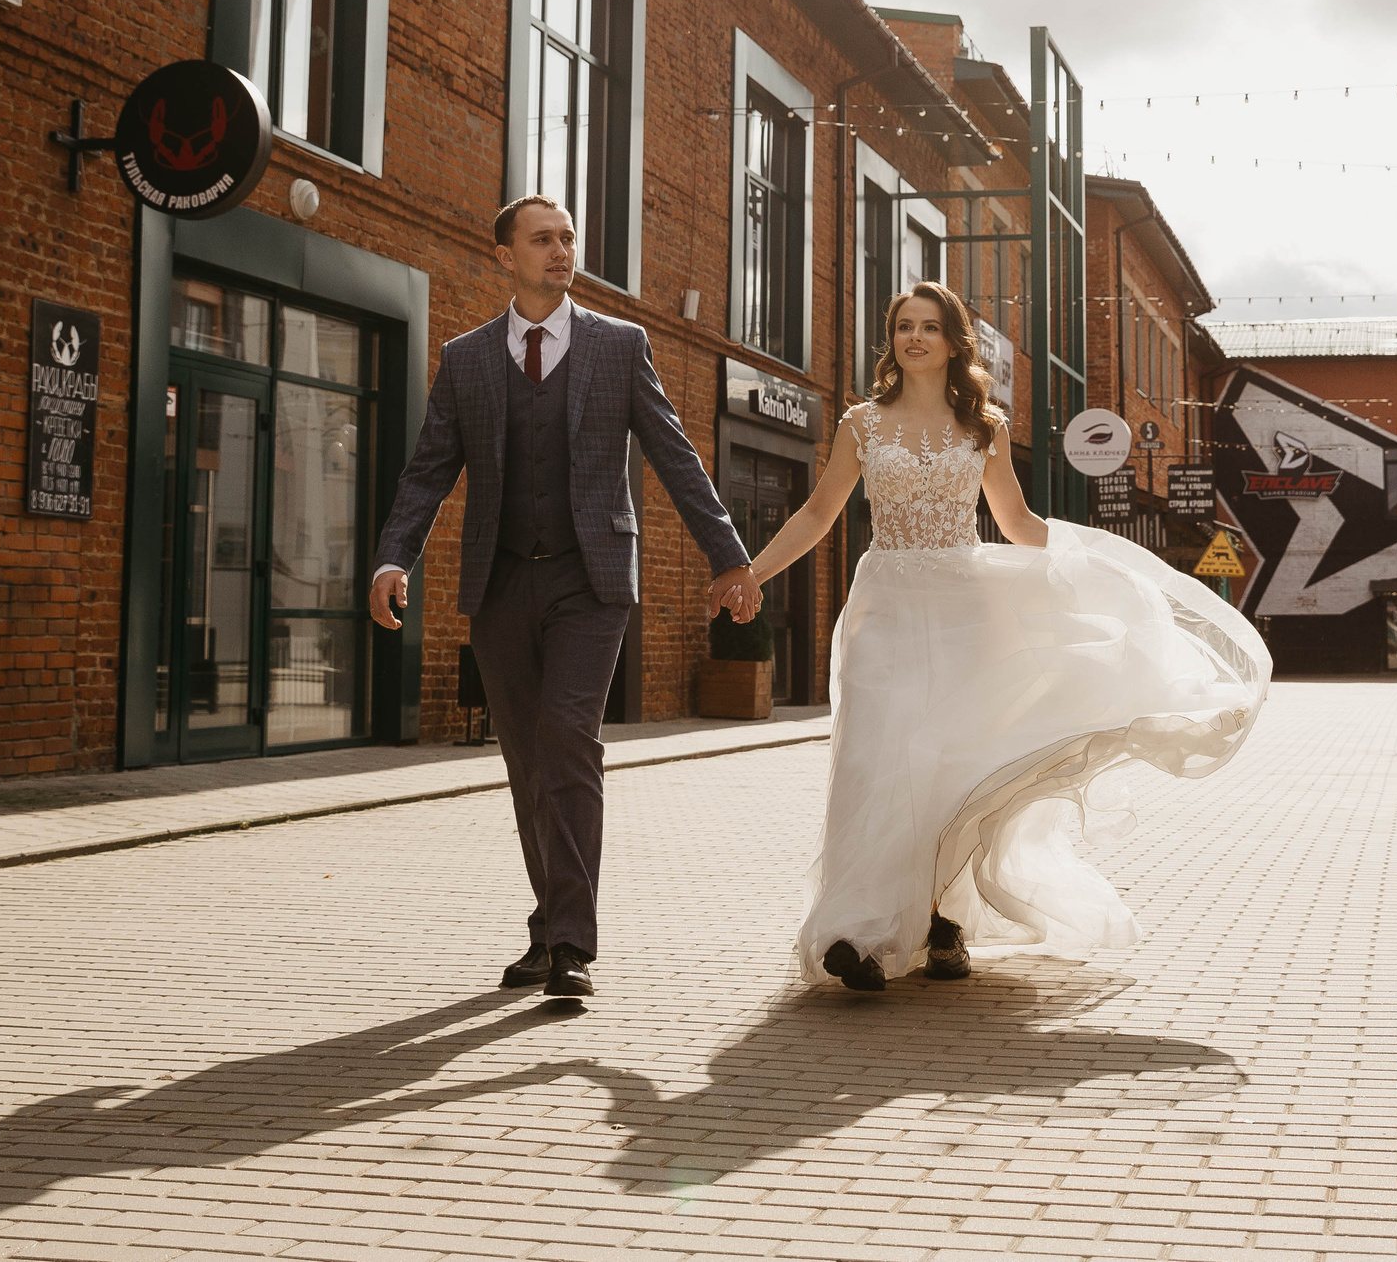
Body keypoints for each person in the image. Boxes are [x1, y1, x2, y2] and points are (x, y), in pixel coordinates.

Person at [744, 281, 1269, 991]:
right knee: (875, 766)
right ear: (892, 339)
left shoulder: (983, 426)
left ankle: (942, 924)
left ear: (956, 341)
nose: (916, 338)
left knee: (952, 770)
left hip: (968, 614)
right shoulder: (861, 425)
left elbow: (1017, 525)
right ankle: (857, 930)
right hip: (886, 611)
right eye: (904, 326)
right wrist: (753, 571)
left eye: (931, 327)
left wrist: (1095, 566)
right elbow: (816, 512)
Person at [369, 195, 760, 1001]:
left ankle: (572, 943)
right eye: (543, 238)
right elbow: (428, 470)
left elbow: (675, 454)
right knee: (526, 761)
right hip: (501, 581)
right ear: (505, 254)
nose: (561, 249)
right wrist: (391, 559)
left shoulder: (620, 346)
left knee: (566, 739)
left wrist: (729, 557)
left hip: (591, 582)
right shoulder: (467, 358)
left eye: (569, 236)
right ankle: (547, 928)